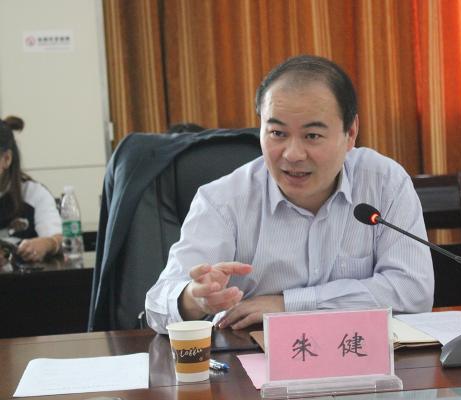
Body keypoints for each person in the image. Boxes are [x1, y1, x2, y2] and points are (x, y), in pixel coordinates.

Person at [145, 55, 434, 333]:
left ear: (350, 133)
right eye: (277, 133)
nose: (293, 154)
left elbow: (413, 292)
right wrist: (194, 299)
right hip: (254, 358)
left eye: (312, 136)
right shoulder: (223, 201)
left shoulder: (384, 183)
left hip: (361, 353)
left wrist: (290, 304)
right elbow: (157, 306)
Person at [0, 116, 62, 266]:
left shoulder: (34, 194)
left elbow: (58, 239)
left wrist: (45, 244)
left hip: (27, 278)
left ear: (7, 159)